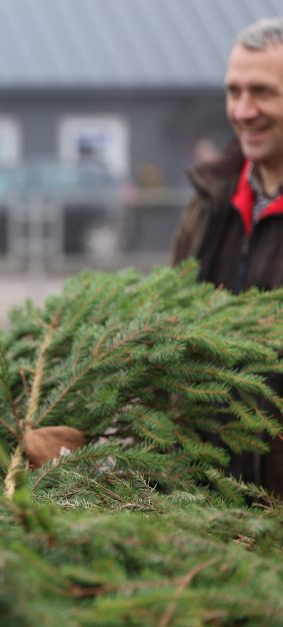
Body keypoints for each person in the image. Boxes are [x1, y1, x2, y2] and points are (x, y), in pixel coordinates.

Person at [171, 17, 283, 496]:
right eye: (233, 91)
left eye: (262, 91)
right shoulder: (209, 203)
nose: (243, 110)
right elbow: (166, 336)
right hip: (208, 501)